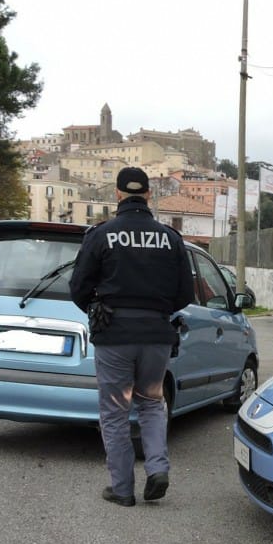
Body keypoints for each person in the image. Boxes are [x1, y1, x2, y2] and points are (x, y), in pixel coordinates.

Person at [70, 166, 195, 507]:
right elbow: (186, 292)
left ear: (118, 193)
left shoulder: (102, 234)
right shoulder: (170, 238)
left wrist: (99, 307)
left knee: (114, 411)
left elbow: (78, 287)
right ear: (149, 195)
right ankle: (157, 469)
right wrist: (156, 310)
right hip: (157, 335)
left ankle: (122, 489)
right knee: (152, 403)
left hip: (114, 337)